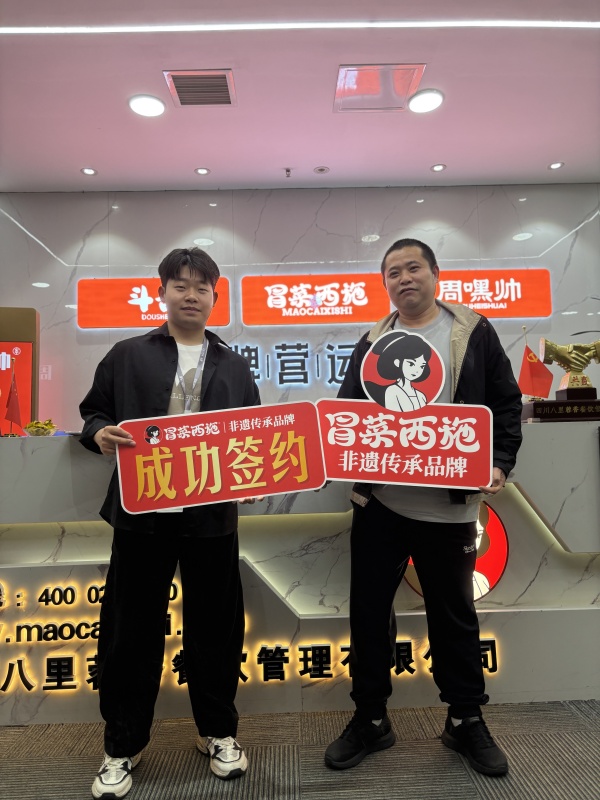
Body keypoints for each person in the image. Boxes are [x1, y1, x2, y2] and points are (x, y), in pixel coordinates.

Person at [324, 238, 522, 777]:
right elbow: (346, 411)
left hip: (449, 507)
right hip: (381, 504)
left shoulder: (473, 331)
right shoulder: (373, 341)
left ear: (436, 274)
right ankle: (370, 718)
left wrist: (500, 461)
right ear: (385, 284)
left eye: (414, 268)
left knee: (454, 615)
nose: (404, 278)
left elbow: (505, 404)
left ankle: (465, 720)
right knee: (369, 613)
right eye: (393, 272)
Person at [80, 247, 260, 799]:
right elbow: (94, 412)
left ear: (214, 297)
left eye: (201, 287)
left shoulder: (234, 365)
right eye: (180, 285)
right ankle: (122, 744)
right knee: (130, 632)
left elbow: (254, 433)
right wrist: (98, 433)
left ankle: (218, 732)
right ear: (162, 293)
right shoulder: (127, 354)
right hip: (142, 517)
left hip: (211, 519)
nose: (191, 295)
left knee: (216, 630)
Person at [370, 331, 432, 411]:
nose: (417, 370)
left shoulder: (421, 396)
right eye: (411, 364)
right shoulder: (392, 391)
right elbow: (393, 415)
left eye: (422, 366)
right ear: (397, 362)